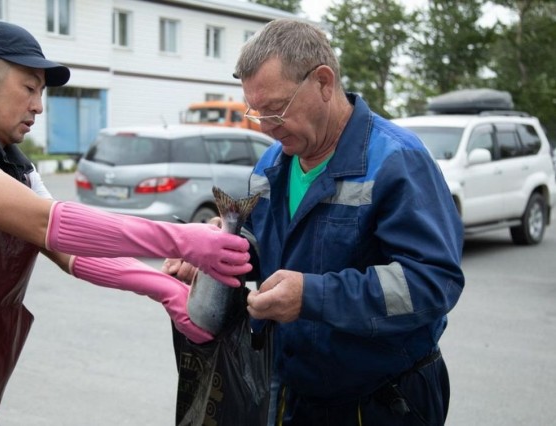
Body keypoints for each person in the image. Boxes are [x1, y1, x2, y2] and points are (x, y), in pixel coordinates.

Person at [0, 20, 252, 414]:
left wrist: (161, 287)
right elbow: (45, 222)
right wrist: (180, 240)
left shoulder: (11, 165)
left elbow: (69, 250)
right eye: (29, 88)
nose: (39, 105)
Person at [164, 18, 464, 425]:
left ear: (324, 82)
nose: (267, 129)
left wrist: (312, 295)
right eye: (256, 113)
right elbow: (263, 250)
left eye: (276, 110)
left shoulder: (396, 161)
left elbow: (432, 283)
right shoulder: (273, 164)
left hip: (382, 401)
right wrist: (214, 255)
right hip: (294, 392)